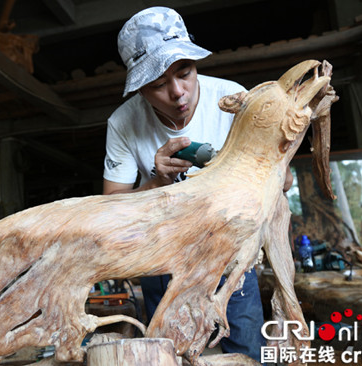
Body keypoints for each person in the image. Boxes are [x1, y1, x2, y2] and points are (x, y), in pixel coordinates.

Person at [102, 6, 266, 362]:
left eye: (185, 72)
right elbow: (110, 207)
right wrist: (156, 181)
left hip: (230, 253)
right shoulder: (123, 123)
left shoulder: (233, 99)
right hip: (163, 260)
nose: (178, 92)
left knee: (248, 350)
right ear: (141, 90)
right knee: (168, 353)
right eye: (158, 85)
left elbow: (273, 178)